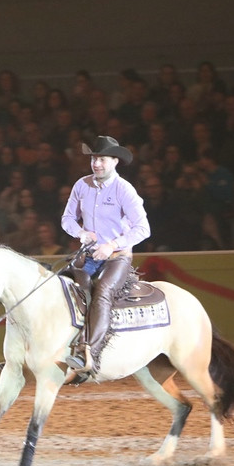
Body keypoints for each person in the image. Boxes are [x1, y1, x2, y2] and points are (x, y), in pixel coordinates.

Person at [60, 136, 150, 377]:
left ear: (114, 161)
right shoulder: (82, 185)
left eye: (101, 159)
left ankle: (88, 353)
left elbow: (143, 228)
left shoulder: (124, 190)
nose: (96, 163)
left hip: (116, 258)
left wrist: (111, 246)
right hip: (88, 255)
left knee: (102, 293)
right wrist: (80, 233)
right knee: (60, 284)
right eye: (93, 159)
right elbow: (67, 218)